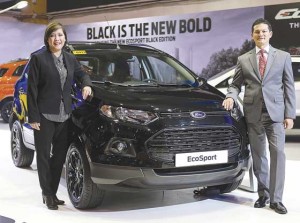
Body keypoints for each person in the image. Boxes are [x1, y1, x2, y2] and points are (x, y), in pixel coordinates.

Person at [222, 18, 296, 214]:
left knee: (278, 155)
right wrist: (230, 96)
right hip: (253, 114)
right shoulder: (243, 59)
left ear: (270, 34)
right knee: (259, 156)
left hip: (276, 115)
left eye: (264, 31)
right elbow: (235, 84)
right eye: (257, 32)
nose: (260, 35)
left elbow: (289, 87)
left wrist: (290, 114)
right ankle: (263, 195)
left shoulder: (282, 57)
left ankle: (276, 199)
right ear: (252, 35)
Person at [27, 21, 92, 210]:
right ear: (47, 39)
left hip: (64, 116)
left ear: (65, 38)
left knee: (59, 157)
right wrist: (33, 117)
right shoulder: (38, 58)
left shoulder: (70, 59)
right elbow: (31, 90)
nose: (58, 39)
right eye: (54, 35)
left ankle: (53, 192)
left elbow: (82, 75)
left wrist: (86, 84)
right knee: (44, 157)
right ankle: (47, 193)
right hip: (44, 116)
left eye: (61, 35)